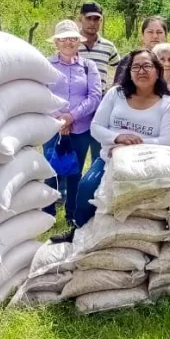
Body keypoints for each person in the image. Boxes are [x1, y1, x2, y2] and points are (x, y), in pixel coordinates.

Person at [68, 49, 170, 234]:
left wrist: (127, 148)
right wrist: (117, 138)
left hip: (147, 163)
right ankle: (78, 232)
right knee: (87, 188)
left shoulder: (168, 103)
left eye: (147, 66)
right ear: (129, 71)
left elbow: (167, 140)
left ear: (158, 71)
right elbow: (96, 127)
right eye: (136, 66)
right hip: (108, 160)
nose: (141, 71)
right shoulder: (115, 94)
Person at [43, 19, 103, 226]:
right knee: (50, 170)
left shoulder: (88, 66)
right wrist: (59, 118)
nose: (68, 42)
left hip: (81, 128)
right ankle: (47, 213)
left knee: (75, 172)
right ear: (56, 43)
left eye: (72, 39)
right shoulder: (46, 65)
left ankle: (71, 214)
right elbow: (41, 95)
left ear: (78, 42)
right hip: (52, 127)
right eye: (63, 39)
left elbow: (95, 96)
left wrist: (71, 117)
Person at [113, 16, 170, 86]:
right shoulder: (130, 59)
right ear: (142, 35)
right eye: (150, 32)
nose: (155, 36)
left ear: (166, 36)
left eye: (159, 32)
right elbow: (117, 87)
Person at [76, 1, 118, 96]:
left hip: (100, 101)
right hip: (75, 100)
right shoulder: (71, 44)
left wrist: (113, 89)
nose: (92, 23)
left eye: (96, 19)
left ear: (101, 21)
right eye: (88, 18)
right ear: (80, 19)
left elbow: (120, 68)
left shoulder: (108, 47)